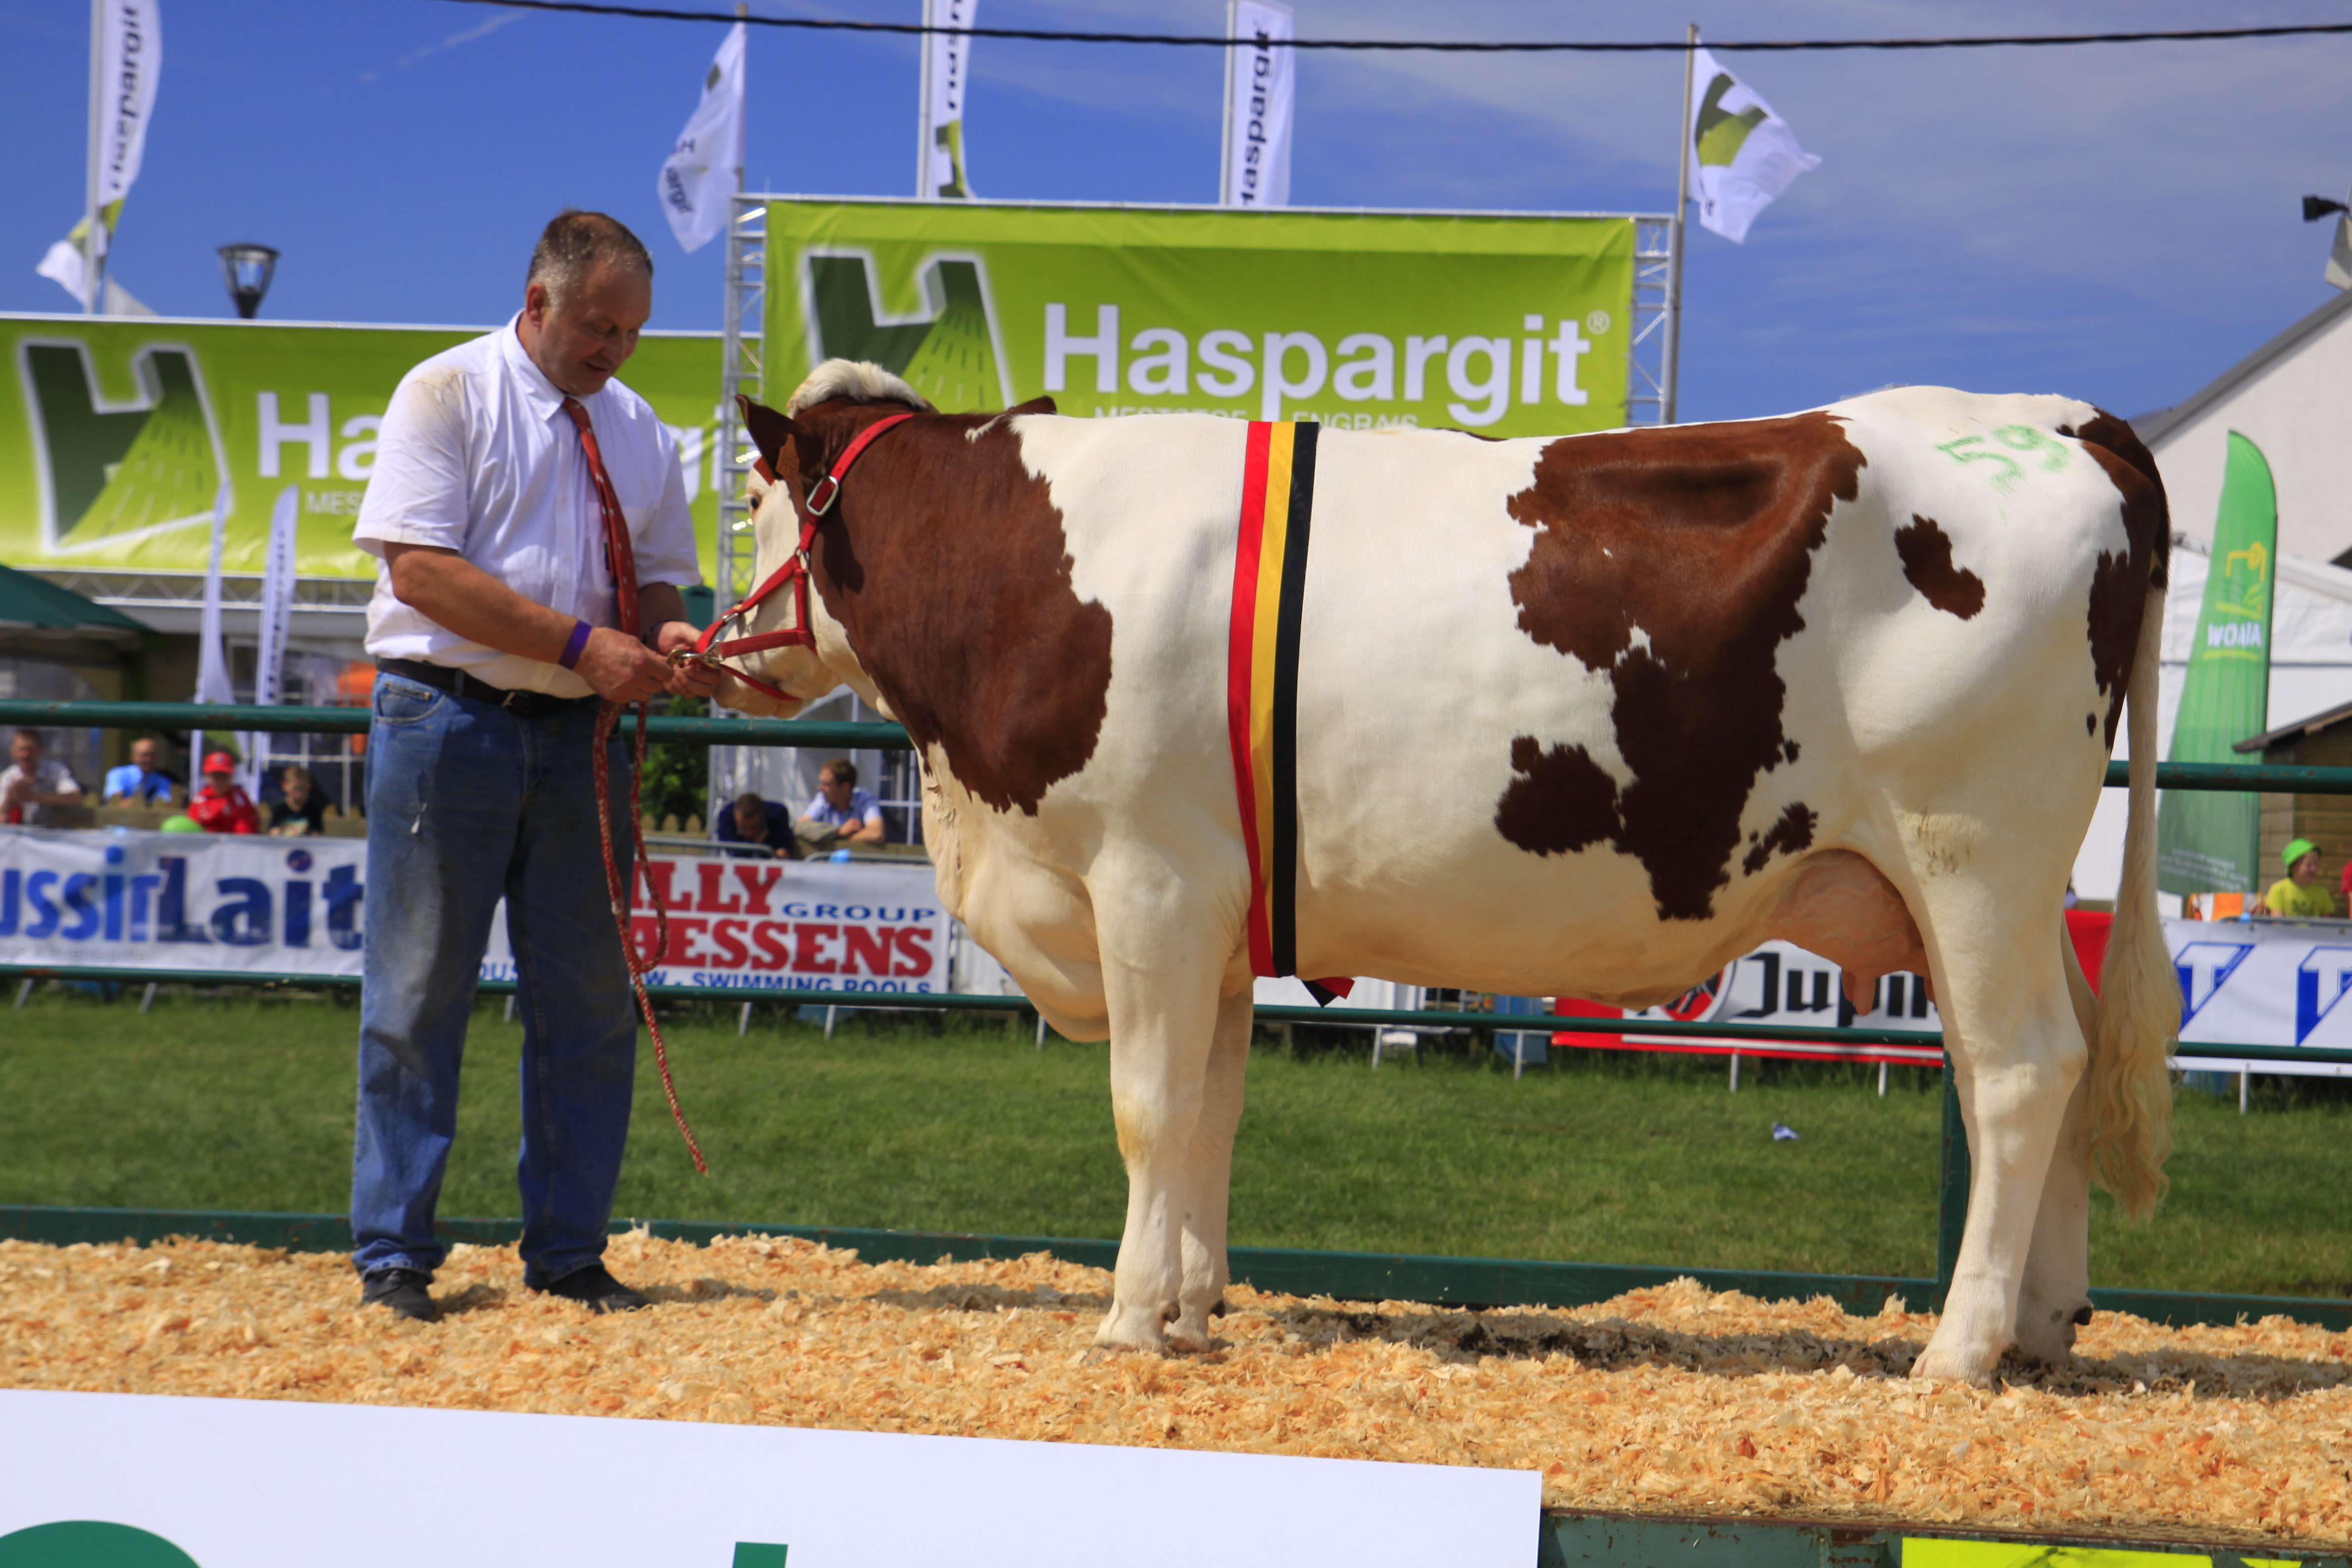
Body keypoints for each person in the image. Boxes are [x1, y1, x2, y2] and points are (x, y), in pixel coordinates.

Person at [347, 210, 715, 1323]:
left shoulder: (640, 429)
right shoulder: (445, 390)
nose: (617, 348)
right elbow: (419, 573)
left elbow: (661, 579)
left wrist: (671, 633)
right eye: (601, 325)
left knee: (590, 1002)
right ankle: (394, 1258)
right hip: (445, 714)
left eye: (634, 331)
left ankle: (567, 1254)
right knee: (416, 995)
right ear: (538, 300)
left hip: (574, 734)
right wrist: (585, 647)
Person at [794, 758, 886, 859]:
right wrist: (839, 832)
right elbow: (800, 827)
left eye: (826, 784)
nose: (820, 788)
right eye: (821, 783)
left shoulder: (864, 799)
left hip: (858, 865)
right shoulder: (822, 799)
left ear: (845, 787)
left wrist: (840, 838)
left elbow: (876, 834)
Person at [0, 729, 84, 826]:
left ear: (40, 750)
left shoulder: (56, 771)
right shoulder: (8, 777)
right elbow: (2, 817)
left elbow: (75, 799)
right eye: (21, 750)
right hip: (19, 833)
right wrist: (10, 798)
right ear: (13, 751)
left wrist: (31, 797)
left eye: (30, 750)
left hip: (52, 831)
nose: (26, 755)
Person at [187, 752, 261, 834]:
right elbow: (192, 827)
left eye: (223, 776)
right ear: (207, 776)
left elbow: (245, 832)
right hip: (204, 841)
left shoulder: (240, 801)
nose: (219, 781)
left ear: (231, 776)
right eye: (215, 776)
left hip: (231, 842)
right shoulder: (200, 799)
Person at [2264, 837, 2338, 919]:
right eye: (2308, 865)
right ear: (2293, 867)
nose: (2314, 868)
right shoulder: (2279, 890)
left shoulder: (2322, 893)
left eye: (2316, 864)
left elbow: (2326, 924)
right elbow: (2278, 923)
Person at [103, 735, 180, 807]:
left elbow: (164, 804)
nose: (148, 759)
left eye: (152, 755)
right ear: (133, 756)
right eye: (144, 755)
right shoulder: (118, 774)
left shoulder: (163, 781)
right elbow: (114, 800)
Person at [714, 790, 792, 858]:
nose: (749, 833)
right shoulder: (726, 817)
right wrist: (756, 843)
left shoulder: (777, 814)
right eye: (743, 828)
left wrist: (781, 854)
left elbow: (783, 848)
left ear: (763, 815)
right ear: (735, 816)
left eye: (754, 828)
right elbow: (736, 853)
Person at [269, 765, 329, 837]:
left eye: (302, 789)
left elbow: (316, 833)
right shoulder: (279, 808)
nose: (299, 794)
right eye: (295, 789)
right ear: (285, 786)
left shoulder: (314, 809)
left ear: (309, 787)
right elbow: (274, 831)